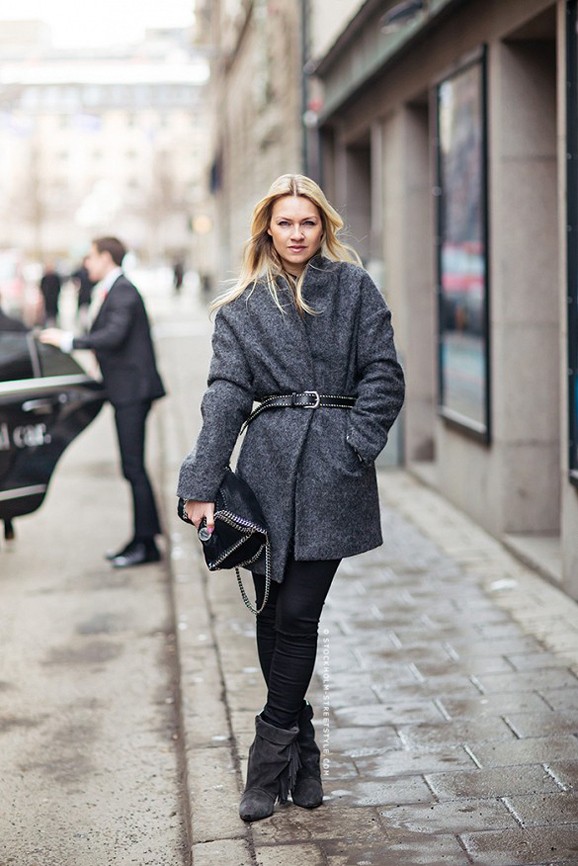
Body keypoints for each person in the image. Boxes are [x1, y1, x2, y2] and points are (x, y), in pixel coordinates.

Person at [176, 175, 405, 822]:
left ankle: (267, 759)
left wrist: (355, 445)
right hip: (268, 473)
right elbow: (225, 395)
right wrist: (201, 482)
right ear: (267, 229)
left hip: (335, 471)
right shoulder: (242, 307)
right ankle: (304, 751)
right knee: (271, 614)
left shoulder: (354, 288)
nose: (297, 233)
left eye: (308, 222)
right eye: (285, 223)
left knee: (299, 613)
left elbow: (384, 374)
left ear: (322, 226)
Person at [40, 236, 166, 568]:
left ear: (107, 257)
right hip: (125, 389)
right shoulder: (113, 289)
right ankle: (143, 539)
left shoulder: (123, 290)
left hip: (133, 391)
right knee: (132, 468)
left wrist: (68, 340)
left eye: (91, 257)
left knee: (133, 468)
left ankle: (146, 545)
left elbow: (113, 335)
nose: (86, 264)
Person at [71, 257, 96, 333]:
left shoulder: (93, 272)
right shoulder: (81, 272)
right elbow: (74, 277)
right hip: (83, 299)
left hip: (91, 299)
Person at [39, 262, 62, 326]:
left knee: (53, 314)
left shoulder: (55, 277)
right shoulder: (44, 278)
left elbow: (58, 287)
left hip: (54, 300)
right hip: (47, 300)